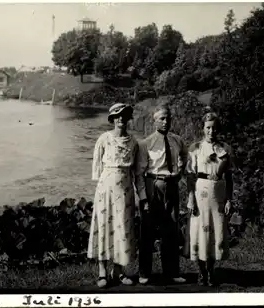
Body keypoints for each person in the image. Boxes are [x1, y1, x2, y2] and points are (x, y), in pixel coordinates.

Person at [87, 103, 147, 288]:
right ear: (112, 119)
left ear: (128, 118)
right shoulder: (104, 139)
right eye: (117, 115)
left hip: (126, 190)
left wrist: (142, 196)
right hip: (106, 190)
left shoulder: (134, 142)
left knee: (123, 228)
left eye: (124, 115)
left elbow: (138, 173)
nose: (121, 118)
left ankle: (119, 271)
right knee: (104, 226)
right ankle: (103, 272)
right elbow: (97, 169)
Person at [137, 105, 188, 285]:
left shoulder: (177, 140)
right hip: (153, 185)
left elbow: (184, 155)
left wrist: (180, 171)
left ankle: (172, 271)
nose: (166, 122)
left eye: (168, 118)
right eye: (161, 119)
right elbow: (139, 173)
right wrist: (143, 198)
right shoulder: (146, 143)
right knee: (147, 230)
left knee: (171, 229)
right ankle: (144, 272)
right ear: (154, 121)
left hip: (171, 185)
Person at [185, 112, 233, 286]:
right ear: (203, 129)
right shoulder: (195, 148)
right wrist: (190, 198)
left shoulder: (225, 148)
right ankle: (201, 272)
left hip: (218, 195)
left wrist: (229, 199)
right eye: (208, 128)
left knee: (215, 233)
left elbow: (229, 177)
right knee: (199, 232)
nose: (211, 131)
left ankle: (211, 271)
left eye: (214, 127)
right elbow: (190, 176)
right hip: (200, 192)